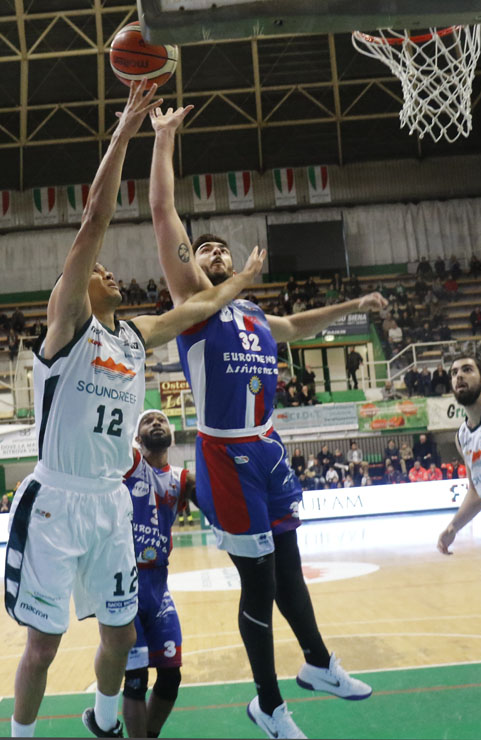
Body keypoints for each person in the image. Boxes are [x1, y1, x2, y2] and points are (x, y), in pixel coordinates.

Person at [4, 82, 265, 740]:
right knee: (43, 646)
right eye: (99, 273)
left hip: (108, 501)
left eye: (110, 273)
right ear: (73, 287)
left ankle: (103, 721)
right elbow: (95, 218)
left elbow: (199, 306)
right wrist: (125, 129)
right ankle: (22, 734)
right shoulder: (67, 326)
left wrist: (240, 280)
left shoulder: (133, 336)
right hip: (56, 501)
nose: (110, 273)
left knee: (120, 634)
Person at [148, 103, 387, 739]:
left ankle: (318, 663)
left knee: (288, 568)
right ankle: (268, 705)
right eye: (205, 249)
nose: (214, 252)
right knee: (257, 585)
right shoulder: (195, 303)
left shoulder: (253, 315)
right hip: (225, 454)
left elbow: (298, 325)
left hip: (269, 449)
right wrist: (164, 141)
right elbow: (164, 213)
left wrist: (354, 303)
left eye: (222, 249)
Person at [122, 409, 194, 738]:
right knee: (136, 679)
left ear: (172, 435)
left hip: (159, 587)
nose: (156, 423)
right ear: (137, 438)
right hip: (125, 584)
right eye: (148, 421)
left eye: (162, 420)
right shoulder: (129, 465)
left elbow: (216, 495)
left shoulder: (182, 479)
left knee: (171, 677)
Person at [437, 356, 481, 638]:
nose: (459, 376)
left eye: (467, 370)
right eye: (454, 372)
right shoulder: (462, 436)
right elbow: (477, 491)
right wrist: (453, 527)